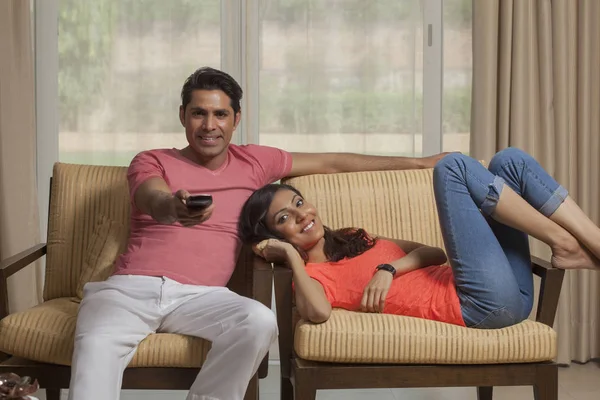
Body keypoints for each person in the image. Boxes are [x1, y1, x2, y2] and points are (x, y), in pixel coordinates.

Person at [67, 67, 447, 400]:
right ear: (183, 116)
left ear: (236, 119)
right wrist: (173, 207)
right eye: (199, 113)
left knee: (259, 321)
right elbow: (150, 195)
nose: (209, 125)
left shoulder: (255, 161)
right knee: (96, 342)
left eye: (220, 114)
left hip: (202, 297)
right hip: (132, 288)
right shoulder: (153, 159)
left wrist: (419, 162)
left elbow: (333, 161)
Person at [239, 149, 600, 328]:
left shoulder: (351, 237)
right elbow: (316, 313)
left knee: (510, 160)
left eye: (299, 202)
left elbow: (434, 254)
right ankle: (567, 242)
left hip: (512, 292)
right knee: (453, 166)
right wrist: (288, 254)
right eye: (285, 218)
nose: (303, 215)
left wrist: (389, 269)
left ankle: (587, 241)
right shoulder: (314, 277)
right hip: (480, 306)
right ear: (274, 235)